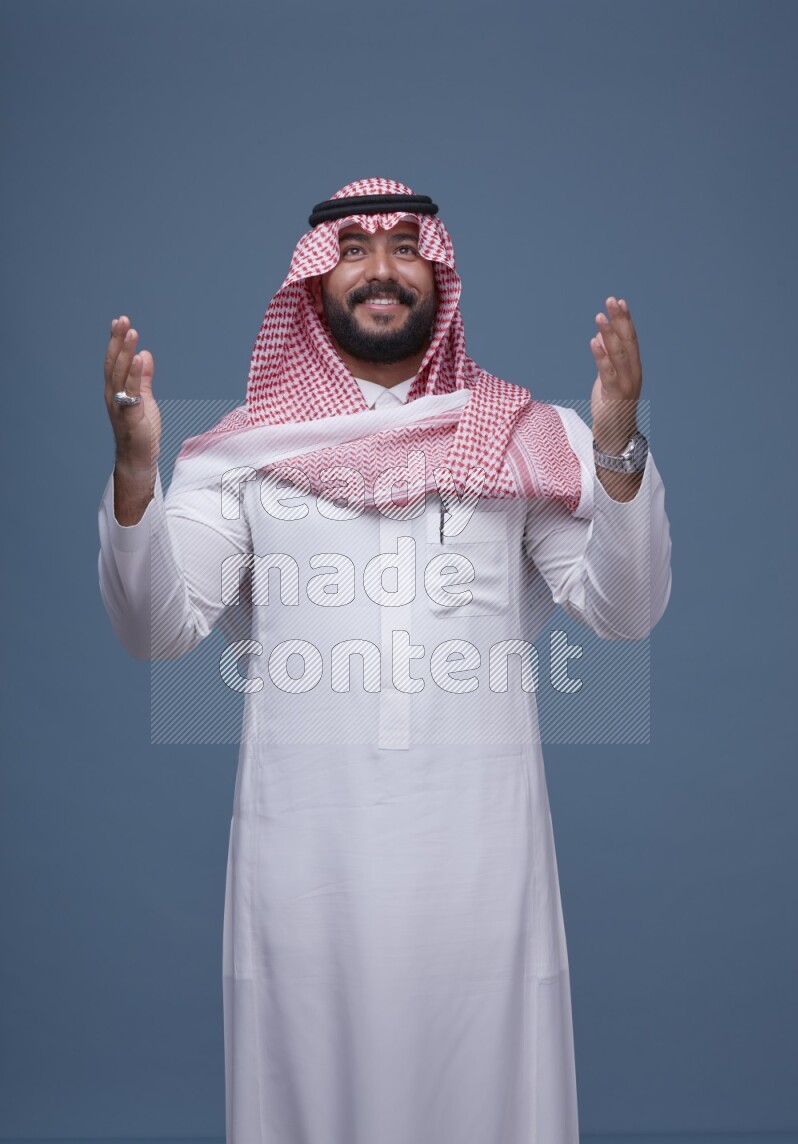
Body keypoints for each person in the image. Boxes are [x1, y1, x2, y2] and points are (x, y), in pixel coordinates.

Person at [98, 177, 671, 1144]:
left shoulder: (529, 437)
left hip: (481, 864)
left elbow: (625, 612)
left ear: (438, 273)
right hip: (305, 861)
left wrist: (615, 455)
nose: (380, 269)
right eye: (354, 247)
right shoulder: (241, 455)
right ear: (315, 282)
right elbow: (156, 628)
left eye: (405, 246)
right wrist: (133, 476)